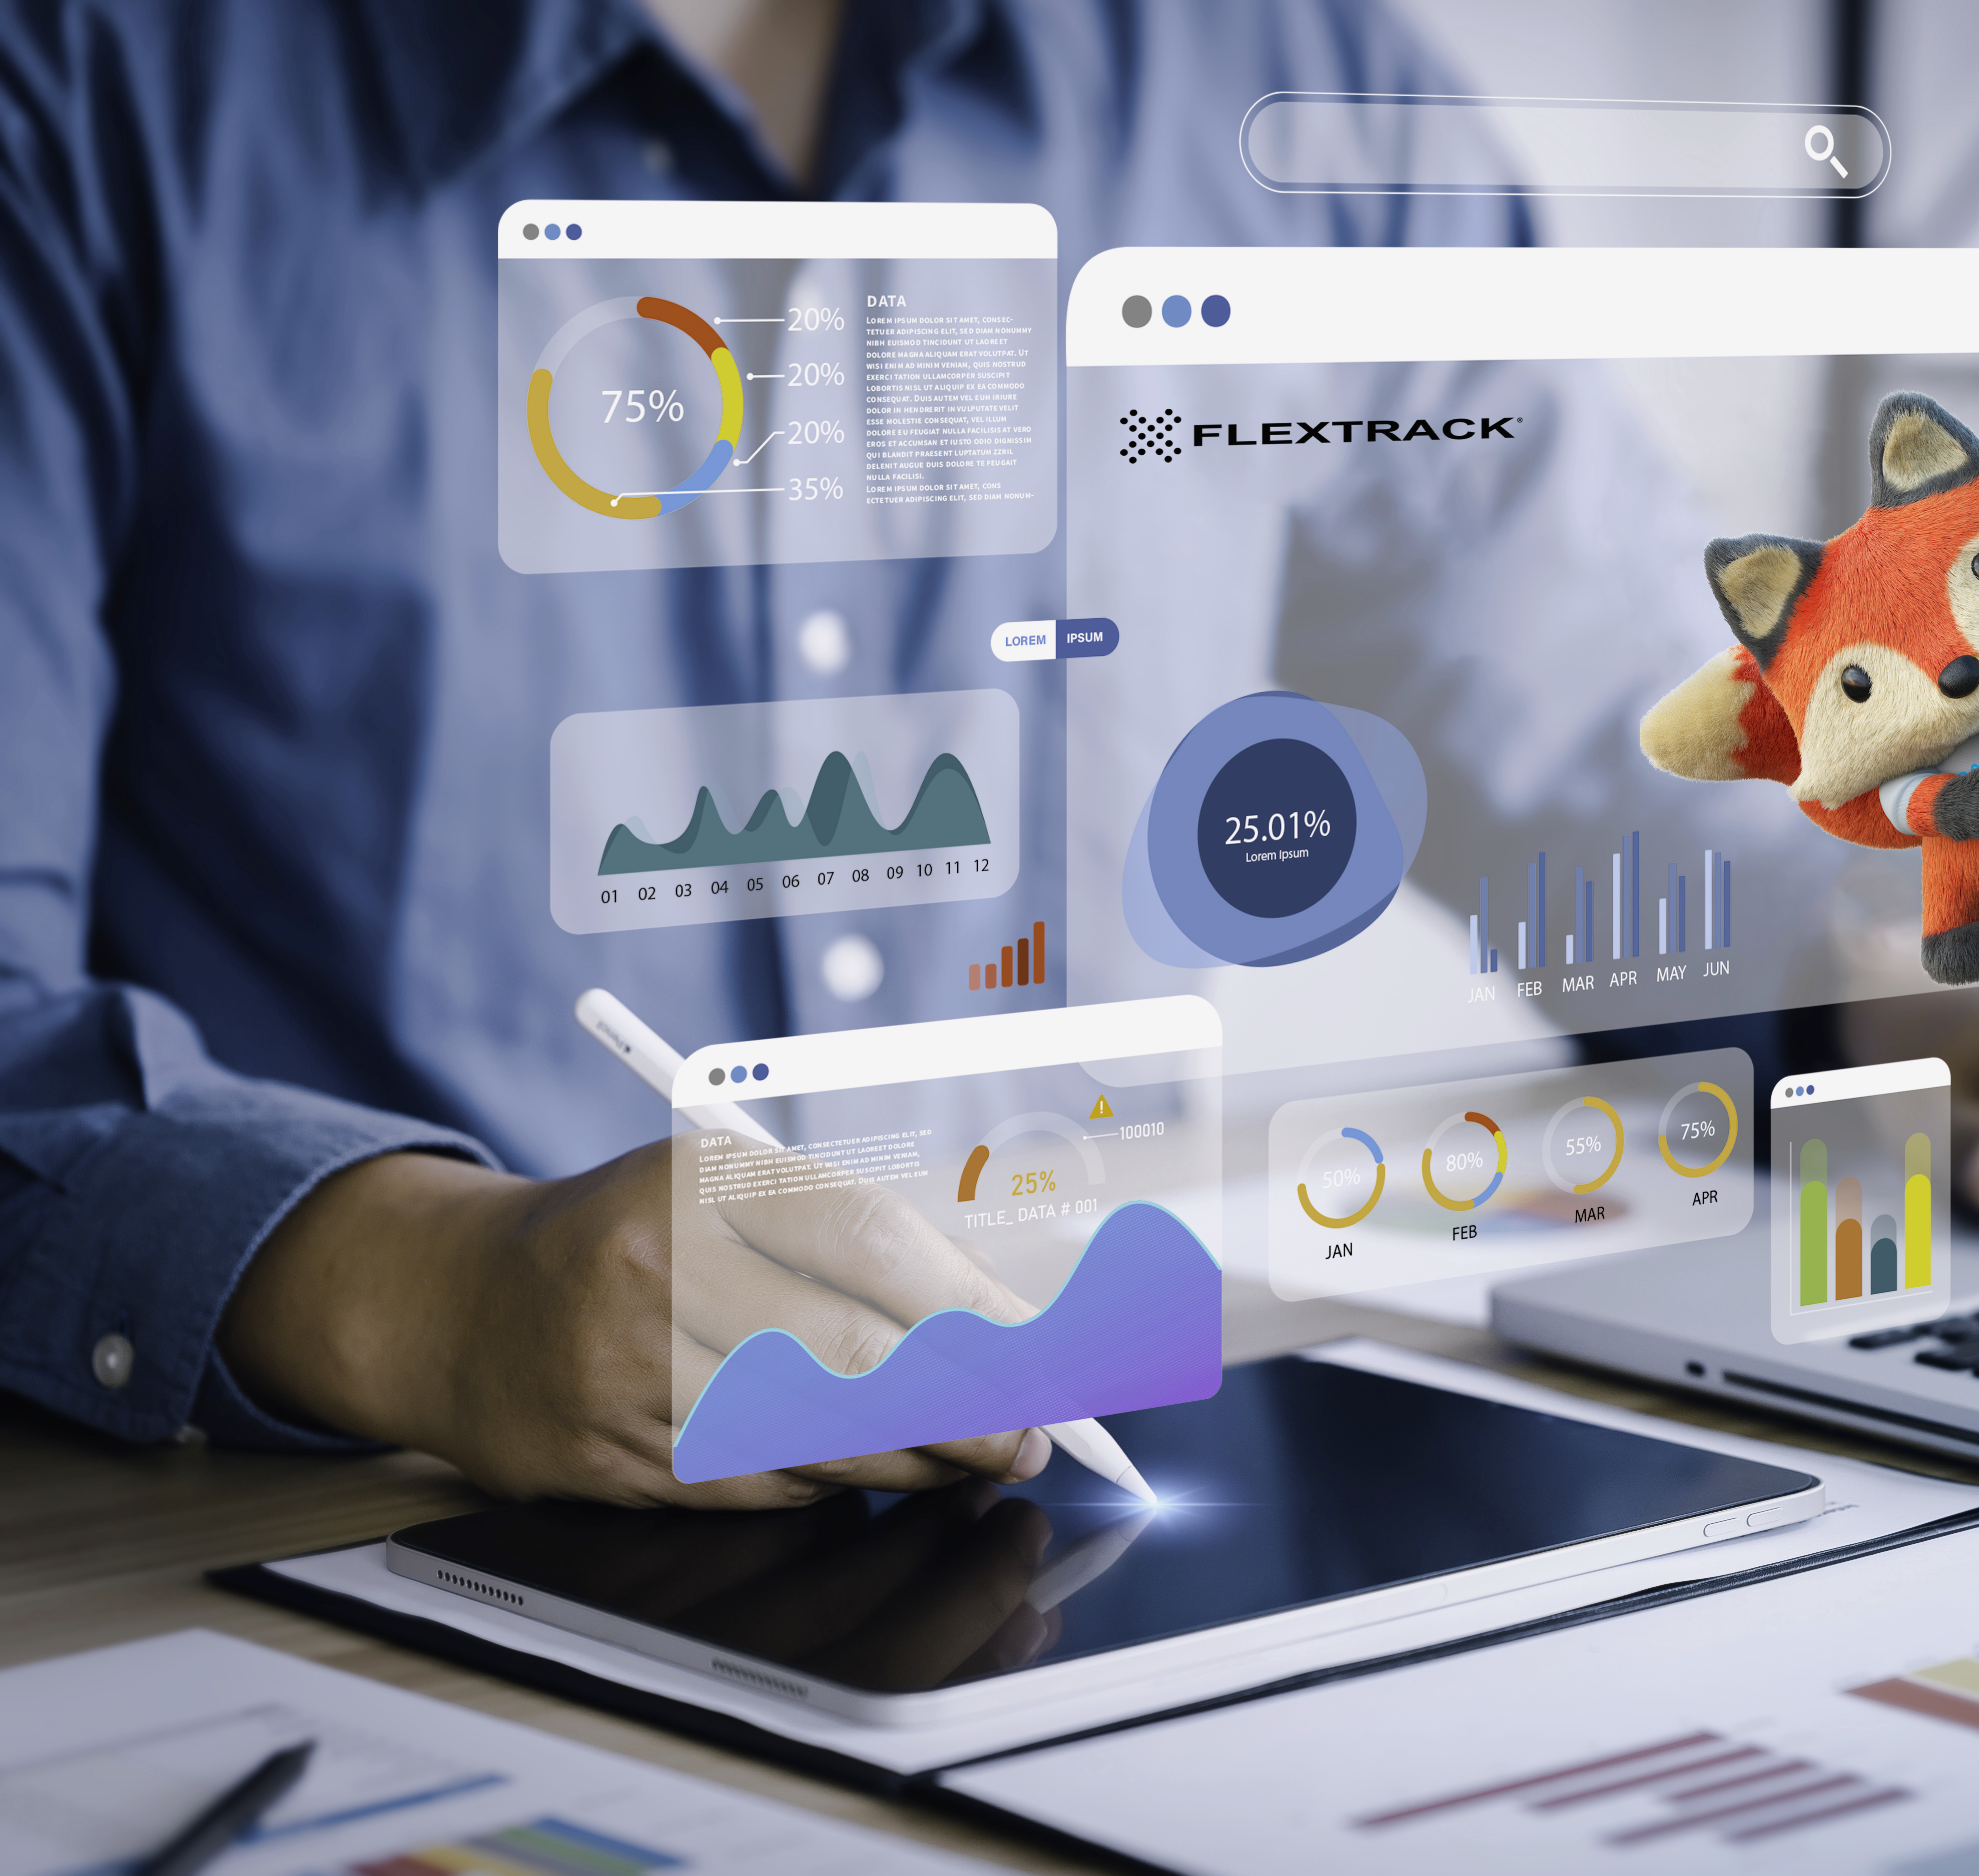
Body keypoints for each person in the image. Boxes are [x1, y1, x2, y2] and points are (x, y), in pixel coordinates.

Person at [0, 0, 1524, 1506]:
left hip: (1048, 1515)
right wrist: (429, 1290)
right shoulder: (80, 82)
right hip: (359, 1525)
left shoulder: (1286, 72)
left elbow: (1642, 733)